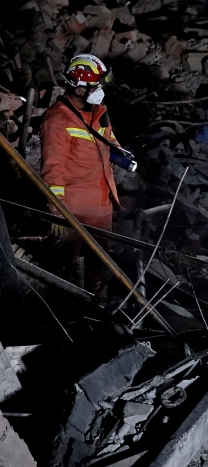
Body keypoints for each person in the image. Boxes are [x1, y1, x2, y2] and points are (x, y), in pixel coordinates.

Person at [40, 54, 121, 301]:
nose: (100, 92)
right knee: (68, 267)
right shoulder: (58, 120)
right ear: (78, 88)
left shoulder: (98, 111)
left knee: (100, 263)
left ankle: (97, 303)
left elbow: (108, 138)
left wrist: (120, 152)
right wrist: (57, 211)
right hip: (74, 210)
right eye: (96, 86)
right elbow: (52, 169)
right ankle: (68, 309)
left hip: (100, 204)